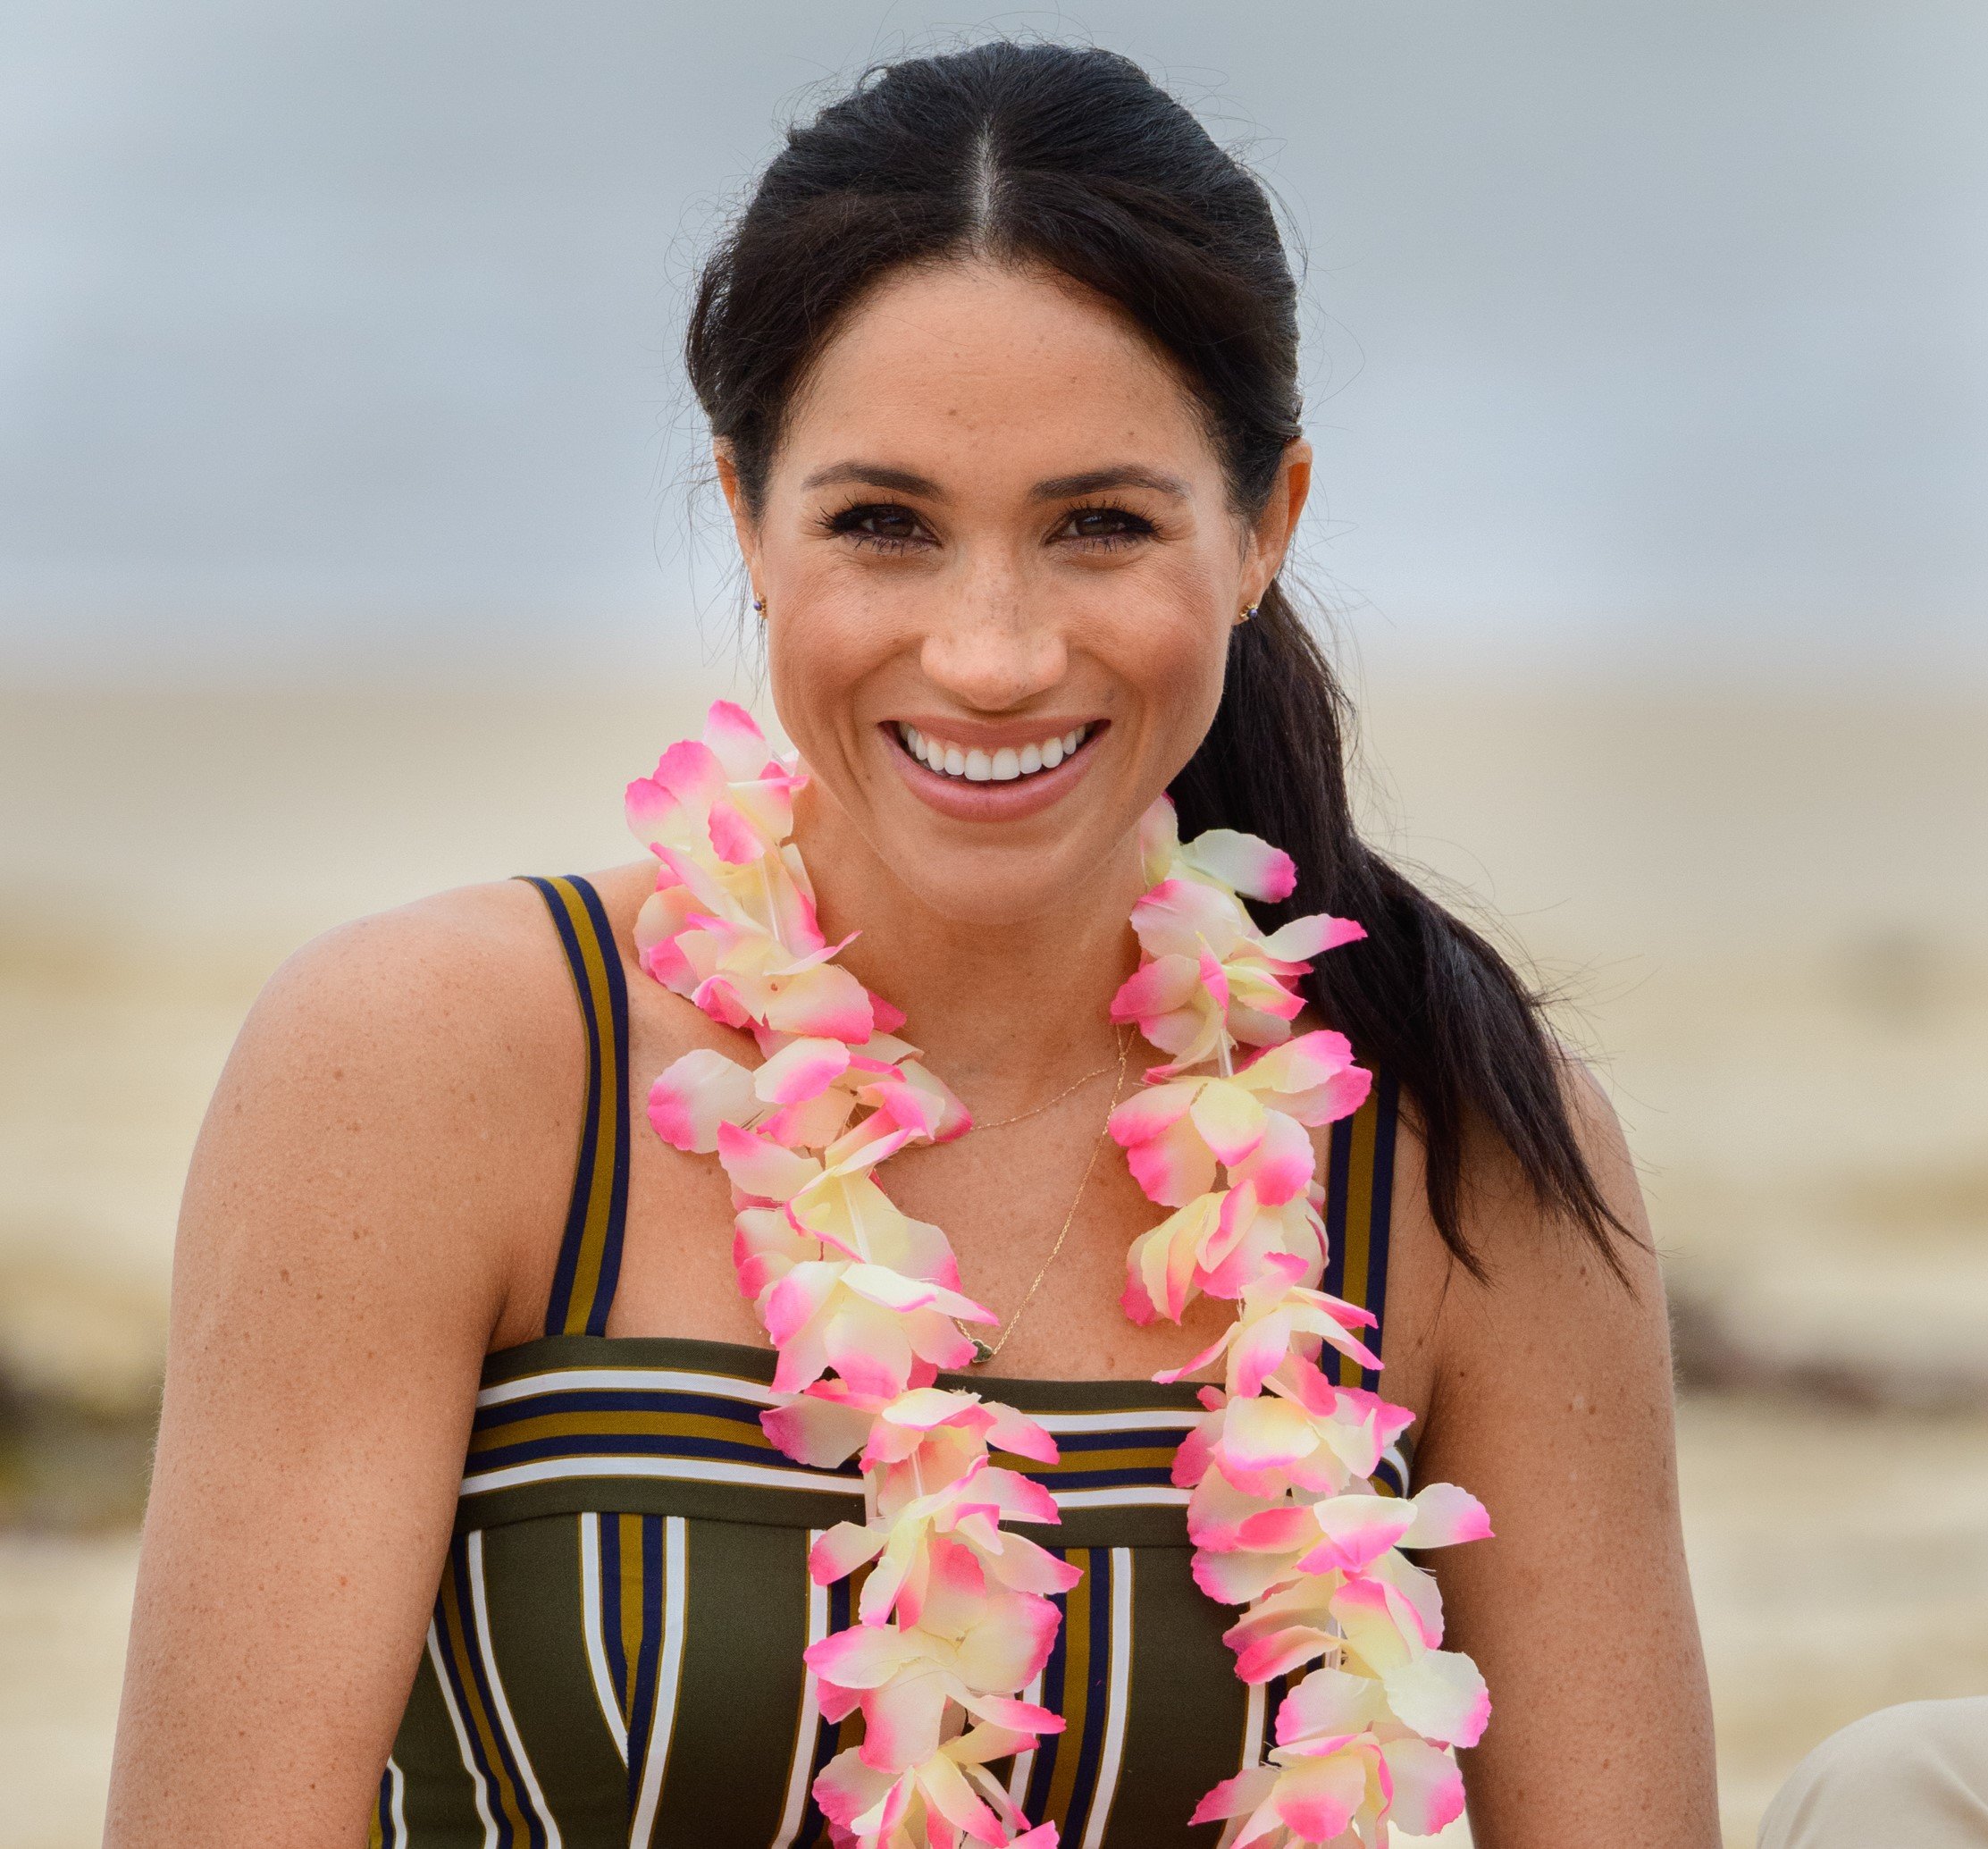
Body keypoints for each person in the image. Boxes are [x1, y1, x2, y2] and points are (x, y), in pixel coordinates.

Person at [105, 40, 1718, 1849]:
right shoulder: (428, 1067)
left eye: (1100, 526)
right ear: (746, 519)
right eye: (885, 526)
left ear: (1265, 530)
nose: (991, 653)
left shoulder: (1454, 1145)